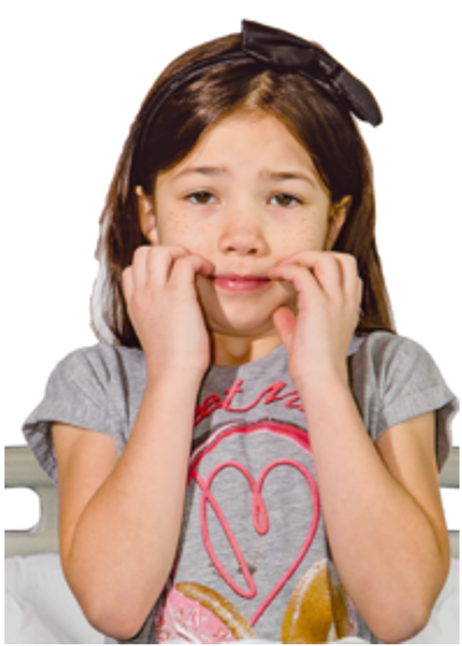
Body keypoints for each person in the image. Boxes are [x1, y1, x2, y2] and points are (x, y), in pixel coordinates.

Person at [20, 18, 459, 646]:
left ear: (334, 221)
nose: (242, 237)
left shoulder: (386, 371)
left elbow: (402, 610)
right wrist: (174, 373)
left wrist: (322, 378)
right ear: (149, 213)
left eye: (284, 199)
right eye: (202, 196)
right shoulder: (98, 383)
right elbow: (113, 605)